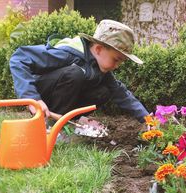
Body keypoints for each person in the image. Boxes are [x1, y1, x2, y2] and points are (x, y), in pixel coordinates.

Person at [9, 19, 149, 123]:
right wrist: (34, 99)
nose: (117, 65)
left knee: (104, 91)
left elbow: (122, 94)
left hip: (60, 101)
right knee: (75, 74)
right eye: (116, 59)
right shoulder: (68, 53)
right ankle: (50, 126)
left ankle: (68, 123)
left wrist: (147, 118)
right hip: (44, 94)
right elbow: (19, 58)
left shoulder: (101, 69)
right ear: (99, 49)